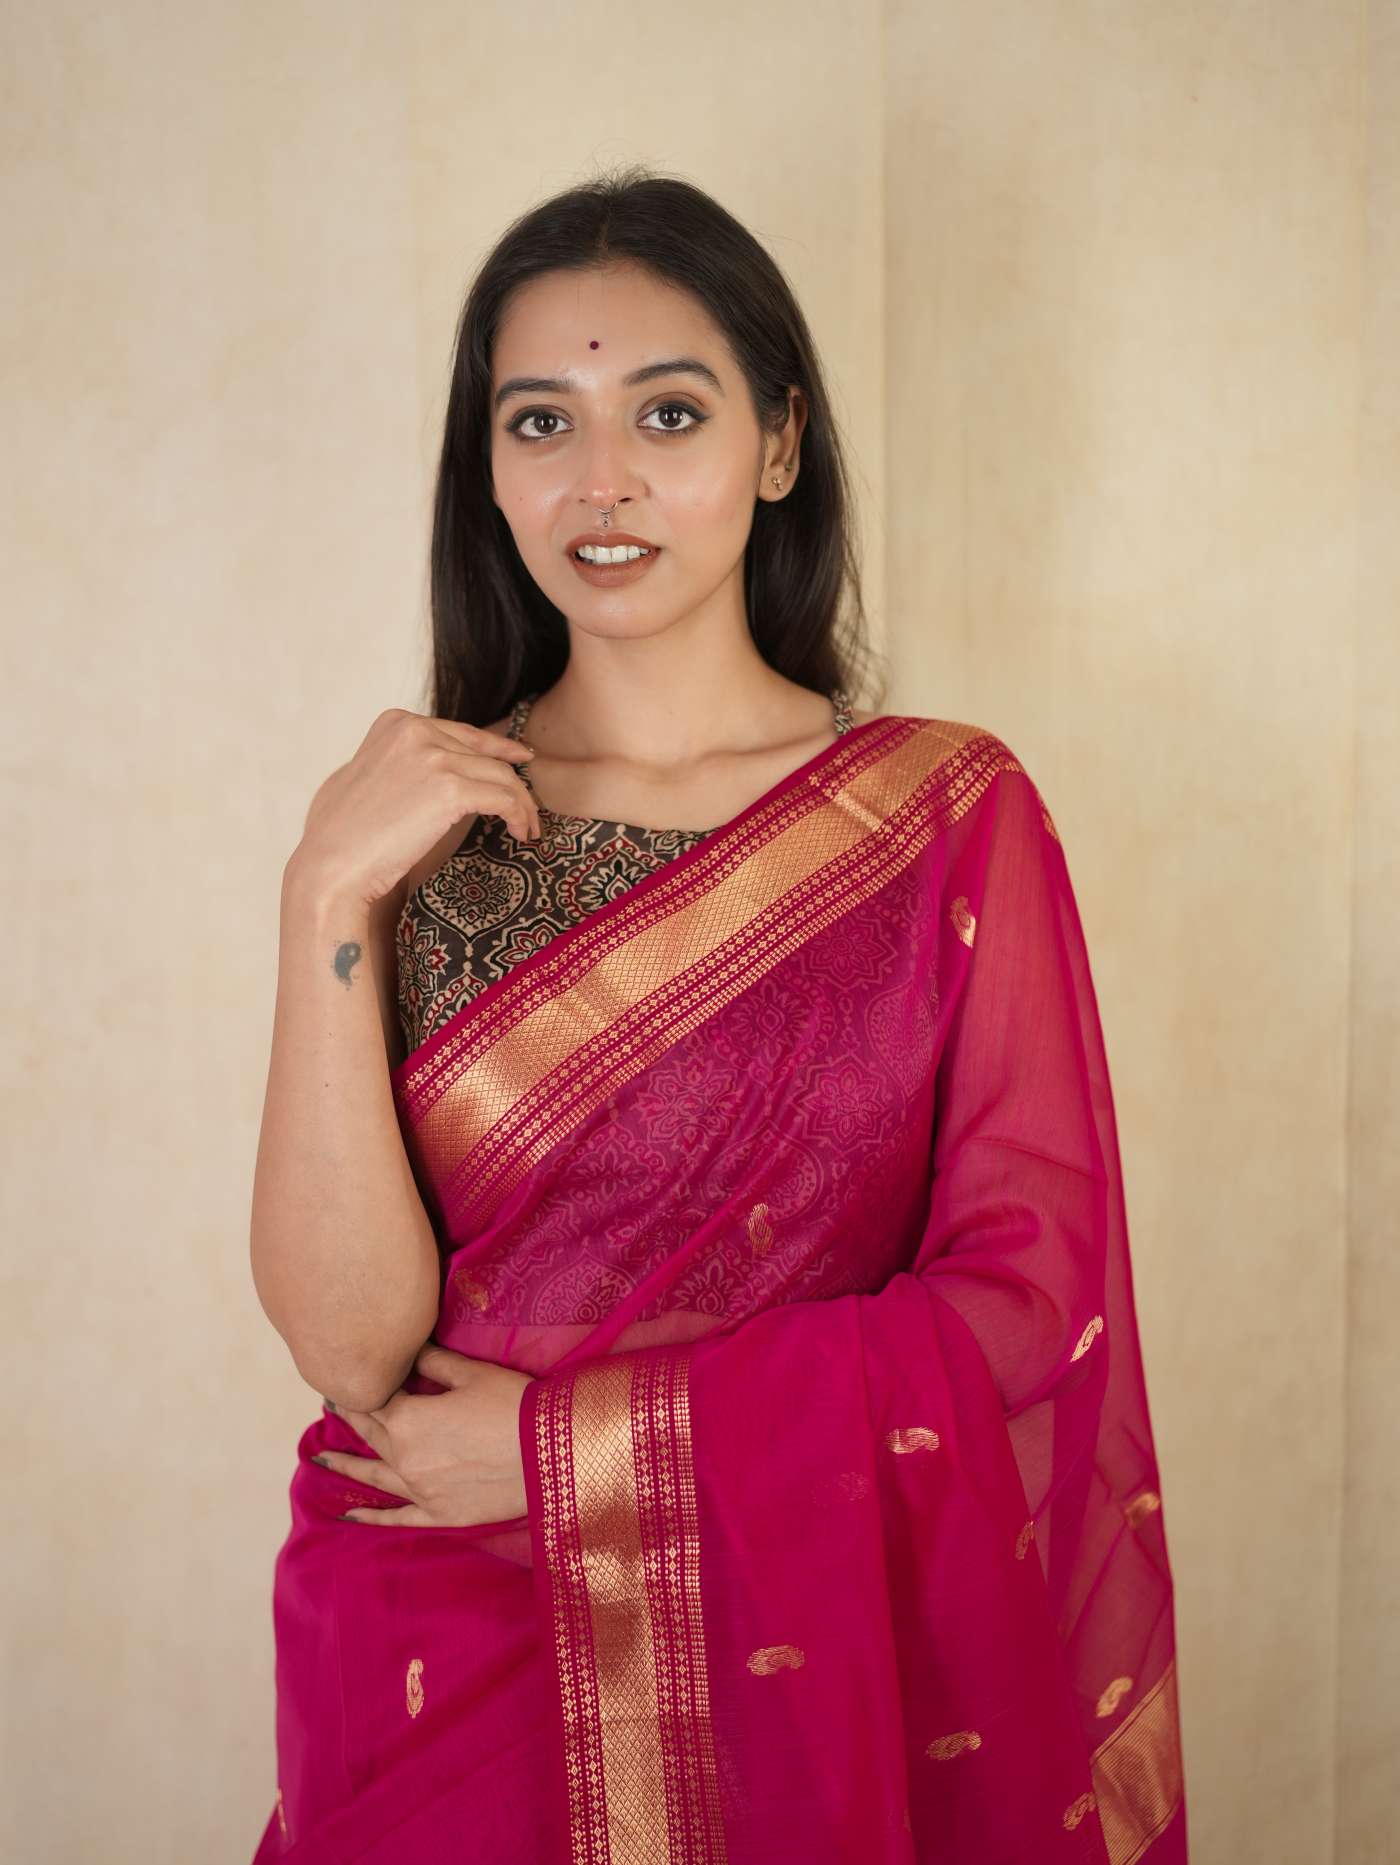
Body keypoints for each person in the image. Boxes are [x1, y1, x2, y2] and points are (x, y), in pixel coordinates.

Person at [248, 165, 1188, 1863]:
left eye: (667, 413)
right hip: (443, 1640)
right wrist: (322, 896)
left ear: (778, 442)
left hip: (802, 1644)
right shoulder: (417, 832)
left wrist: (572, 1456)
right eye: (541, 421)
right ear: (487, 469)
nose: (599, 481)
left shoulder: (939, 819)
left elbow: (1025, 1300)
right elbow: (352, 1352)